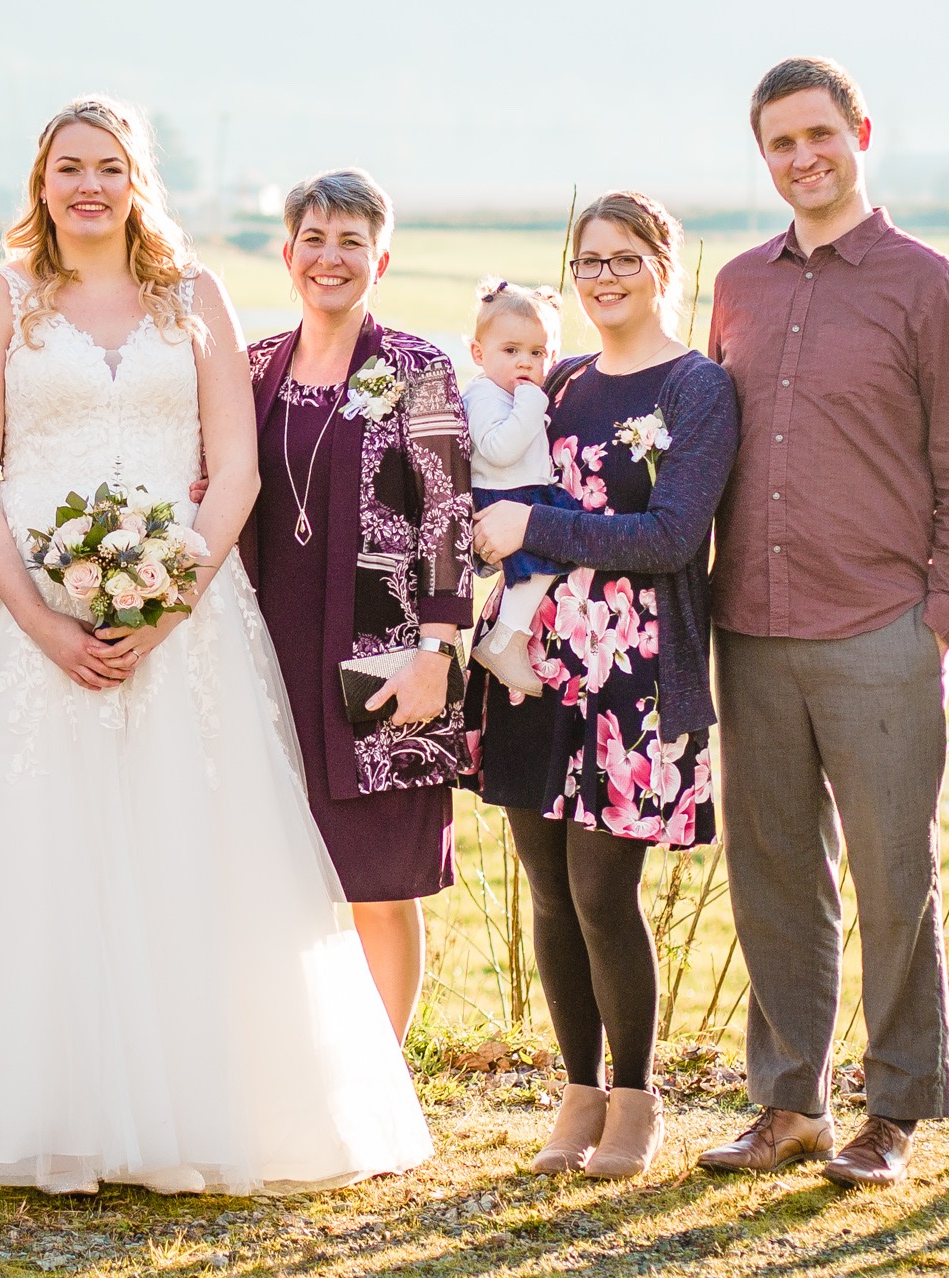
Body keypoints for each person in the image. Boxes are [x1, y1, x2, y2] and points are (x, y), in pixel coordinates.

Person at [0, 97, 432, 1195]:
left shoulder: (195, 300)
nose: (87, 185)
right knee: (37, 849)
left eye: (109, 166)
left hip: (183, 615)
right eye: (66, 167)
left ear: (138, 182)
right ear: (39, 182)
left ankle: (205, 1105)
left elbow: (234, 469)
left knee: (188, 841)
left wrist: (165, 599)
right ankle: (47, 1112)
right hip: (23, 617)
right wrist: (43, 621)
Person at [698, 57, 949, 1188]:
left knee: (891, 876)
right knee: (773, 874)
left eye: (817, 135)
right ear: (762, 154)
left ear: (858, 133)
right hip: (752, 627)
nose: (800, 158)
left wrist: (938, 617)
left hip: (880, 626)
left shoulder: (926, 285)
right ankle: (787, 1107)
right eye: (778, 143)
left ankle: (894, 1113)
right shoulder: (736, 283)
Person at [470, 192, 735, 1180]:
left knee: (599, 891)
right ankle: (576, 1092)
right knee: (545, 888)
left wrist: (531, 530)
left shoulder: (695, 390)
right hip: (534, 668)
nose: (604, 278)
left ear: (660, 266)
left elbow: (670, 537)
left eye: (625, 259)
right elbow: (493, 487)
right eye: (588, 261)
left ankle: (635, 1096)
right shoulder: (559, 380)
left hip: (631, 674)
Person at [236, 168, 473, 1044]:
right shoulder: (250, 367)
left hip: (382, 663)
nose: (329, 259)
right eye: (314, 239)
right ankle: (296, 1065)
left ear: (381, 256)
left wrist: (437, 653)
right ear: (287, 250)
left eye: (350, 242)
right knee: (279, 881)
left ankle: (380, 1073)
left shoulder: (417, 369)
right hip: (265, 661)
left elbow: (450, 515)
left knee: (379, 883)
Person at [464, 278, 567, 697]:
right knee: (539, 565)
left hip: (524, 491)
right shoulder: (485, 395)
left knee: (552, 557)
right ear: (478, 353)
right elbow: (498, 448)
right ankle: (508, 637)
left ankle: (509, 638)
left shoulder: (509, 393)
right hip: (506, 496)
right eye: (510, 351)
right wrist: (531, 403)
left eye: (536, 353)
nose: (524, 363)